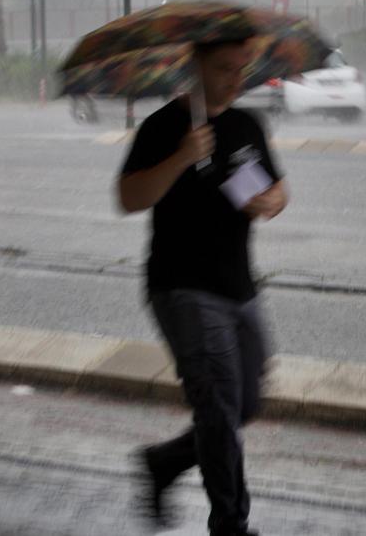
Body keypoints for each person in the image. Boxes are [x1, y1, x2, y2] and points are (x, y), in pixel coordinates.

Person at [117, 38, 288, 536]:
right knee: (217, 406)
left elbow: (279, 190)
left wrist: (267, 202)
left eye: (241, 68)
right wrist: (181, 157)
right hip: (182, 288)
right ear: (195, 68)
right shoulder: (163, 126)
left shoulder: (246, 124)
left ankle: (164, 461)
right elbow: (128, 198)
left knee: (245, 404)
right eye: (223, 69)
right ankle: (231, 525)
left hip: (240, 287)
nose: (235, 78)